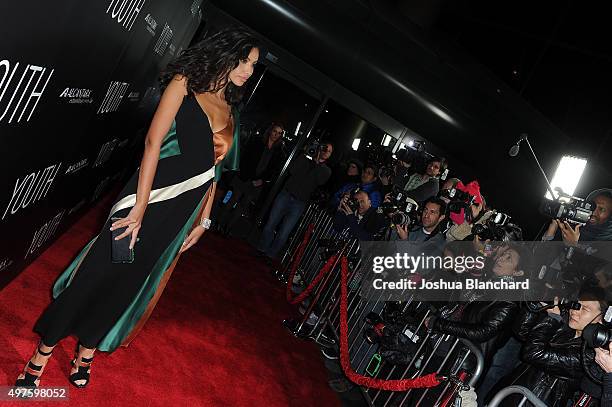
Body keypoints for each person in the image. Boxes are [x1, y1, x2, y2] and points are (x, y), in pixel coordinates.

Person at [15, 28, 259, 389]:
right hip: (146, 198)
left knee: (127, 283)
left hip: (181, 214)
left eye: (253, 65)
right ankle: (42, 354)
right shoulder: (185, 82)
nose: (247, 71)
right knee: (99, 272)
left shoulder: (232, 111)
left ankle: (88, 350)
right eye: (244, 60)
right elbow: (152, 142)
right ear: (226, 53)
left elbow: (214, 173)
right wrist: (140, 207)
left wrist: (204, 220)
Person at [257, 142, 333, 262]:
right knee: (270, 225)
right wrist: (306, 154)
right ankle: (262, 248)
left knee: (284, 233)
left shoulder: (326, 170)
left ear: (330, 155)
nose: (325, 151)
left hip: (299, 203)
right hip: (286, 194)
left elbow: (319, 180)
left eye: (328, 151)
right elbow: (292, 170)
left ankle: (270, 255)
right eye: (324, 148)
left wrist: (317, 162)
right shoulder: (305, 158)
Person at [215, 122, 287, 234]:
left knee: (243, 205)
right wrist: (242, 172)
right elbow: (245, 156)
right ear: (270, 131)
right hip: (244, 176)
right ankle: (218, 224)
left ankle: (227, 229)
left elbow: (273, 170)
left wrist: (262, 181)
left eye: (279, 133)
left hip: (258, 183)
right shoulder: (257, 142)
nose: (275, 135)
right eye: (274, 131)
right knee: (233, 199)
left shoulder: (279, 152)